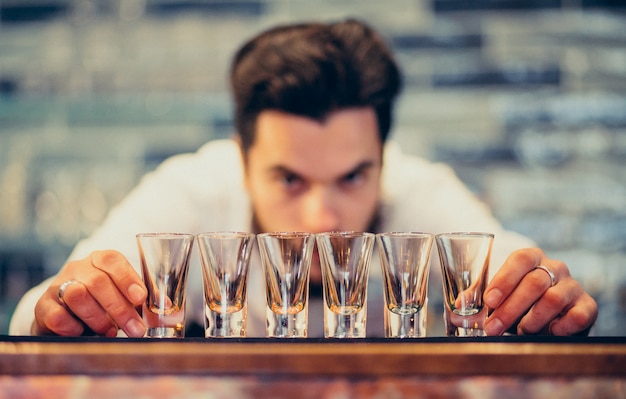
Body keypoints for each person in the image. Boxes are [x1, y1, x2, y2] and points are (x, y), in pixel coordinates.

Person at [10, 19, 597, 338]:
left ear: (382, 159)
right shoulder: (192, 190)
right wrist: (63, 305)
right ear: (240, 162)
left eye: (352, 178)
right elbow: (40, 308)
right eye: (290, 179)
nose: (323, 219)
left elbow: (515, 267)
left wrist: (539, 291)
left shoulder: (419, 192)